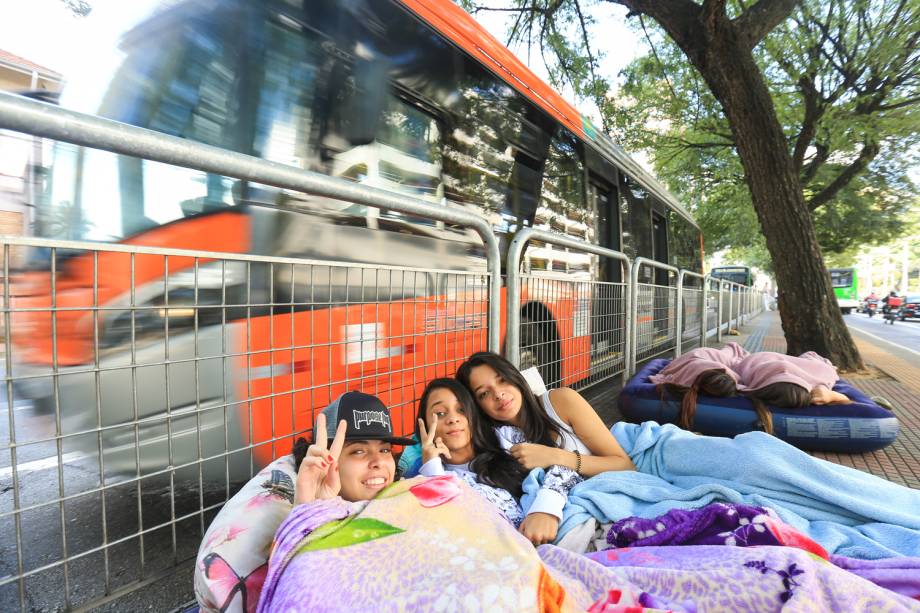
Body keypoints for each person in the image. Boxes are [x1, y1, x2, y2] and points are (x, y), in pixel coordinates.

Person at [414, 378, 581, 545]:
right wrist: (432, 468)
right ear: (425, 425)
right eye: (440, 414)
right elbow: (450, 526)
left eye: (461, 409)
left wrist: (545, 510)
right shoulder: (434, 477)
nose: (453, 419)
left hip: (571, 525)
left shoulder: (505, 438)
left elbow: (562, 465)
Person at [455, 352, 635, 478]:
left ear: (514, 377)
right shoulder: (496, 442)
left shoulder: (560, 401)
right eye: (483, 394)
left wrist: (555, 457)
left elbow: (624, 465)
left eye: (502, 380)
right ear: (477, 406)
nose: (498, 394)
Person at [648, 343, 749, 431]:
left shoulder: (688, 381)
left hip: (703, 360)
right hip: (705, 356)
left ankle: (733, 346)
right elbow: (741, 383)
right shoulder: (726, 372)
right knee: (734, 351)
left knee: (733, 352)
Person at [734, 351, 852, 420]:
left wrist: (829, 395)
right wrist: (831, 395)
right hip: (763, 359)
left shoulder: (821, 373)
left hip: (806, 364)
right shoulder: (747, 369)